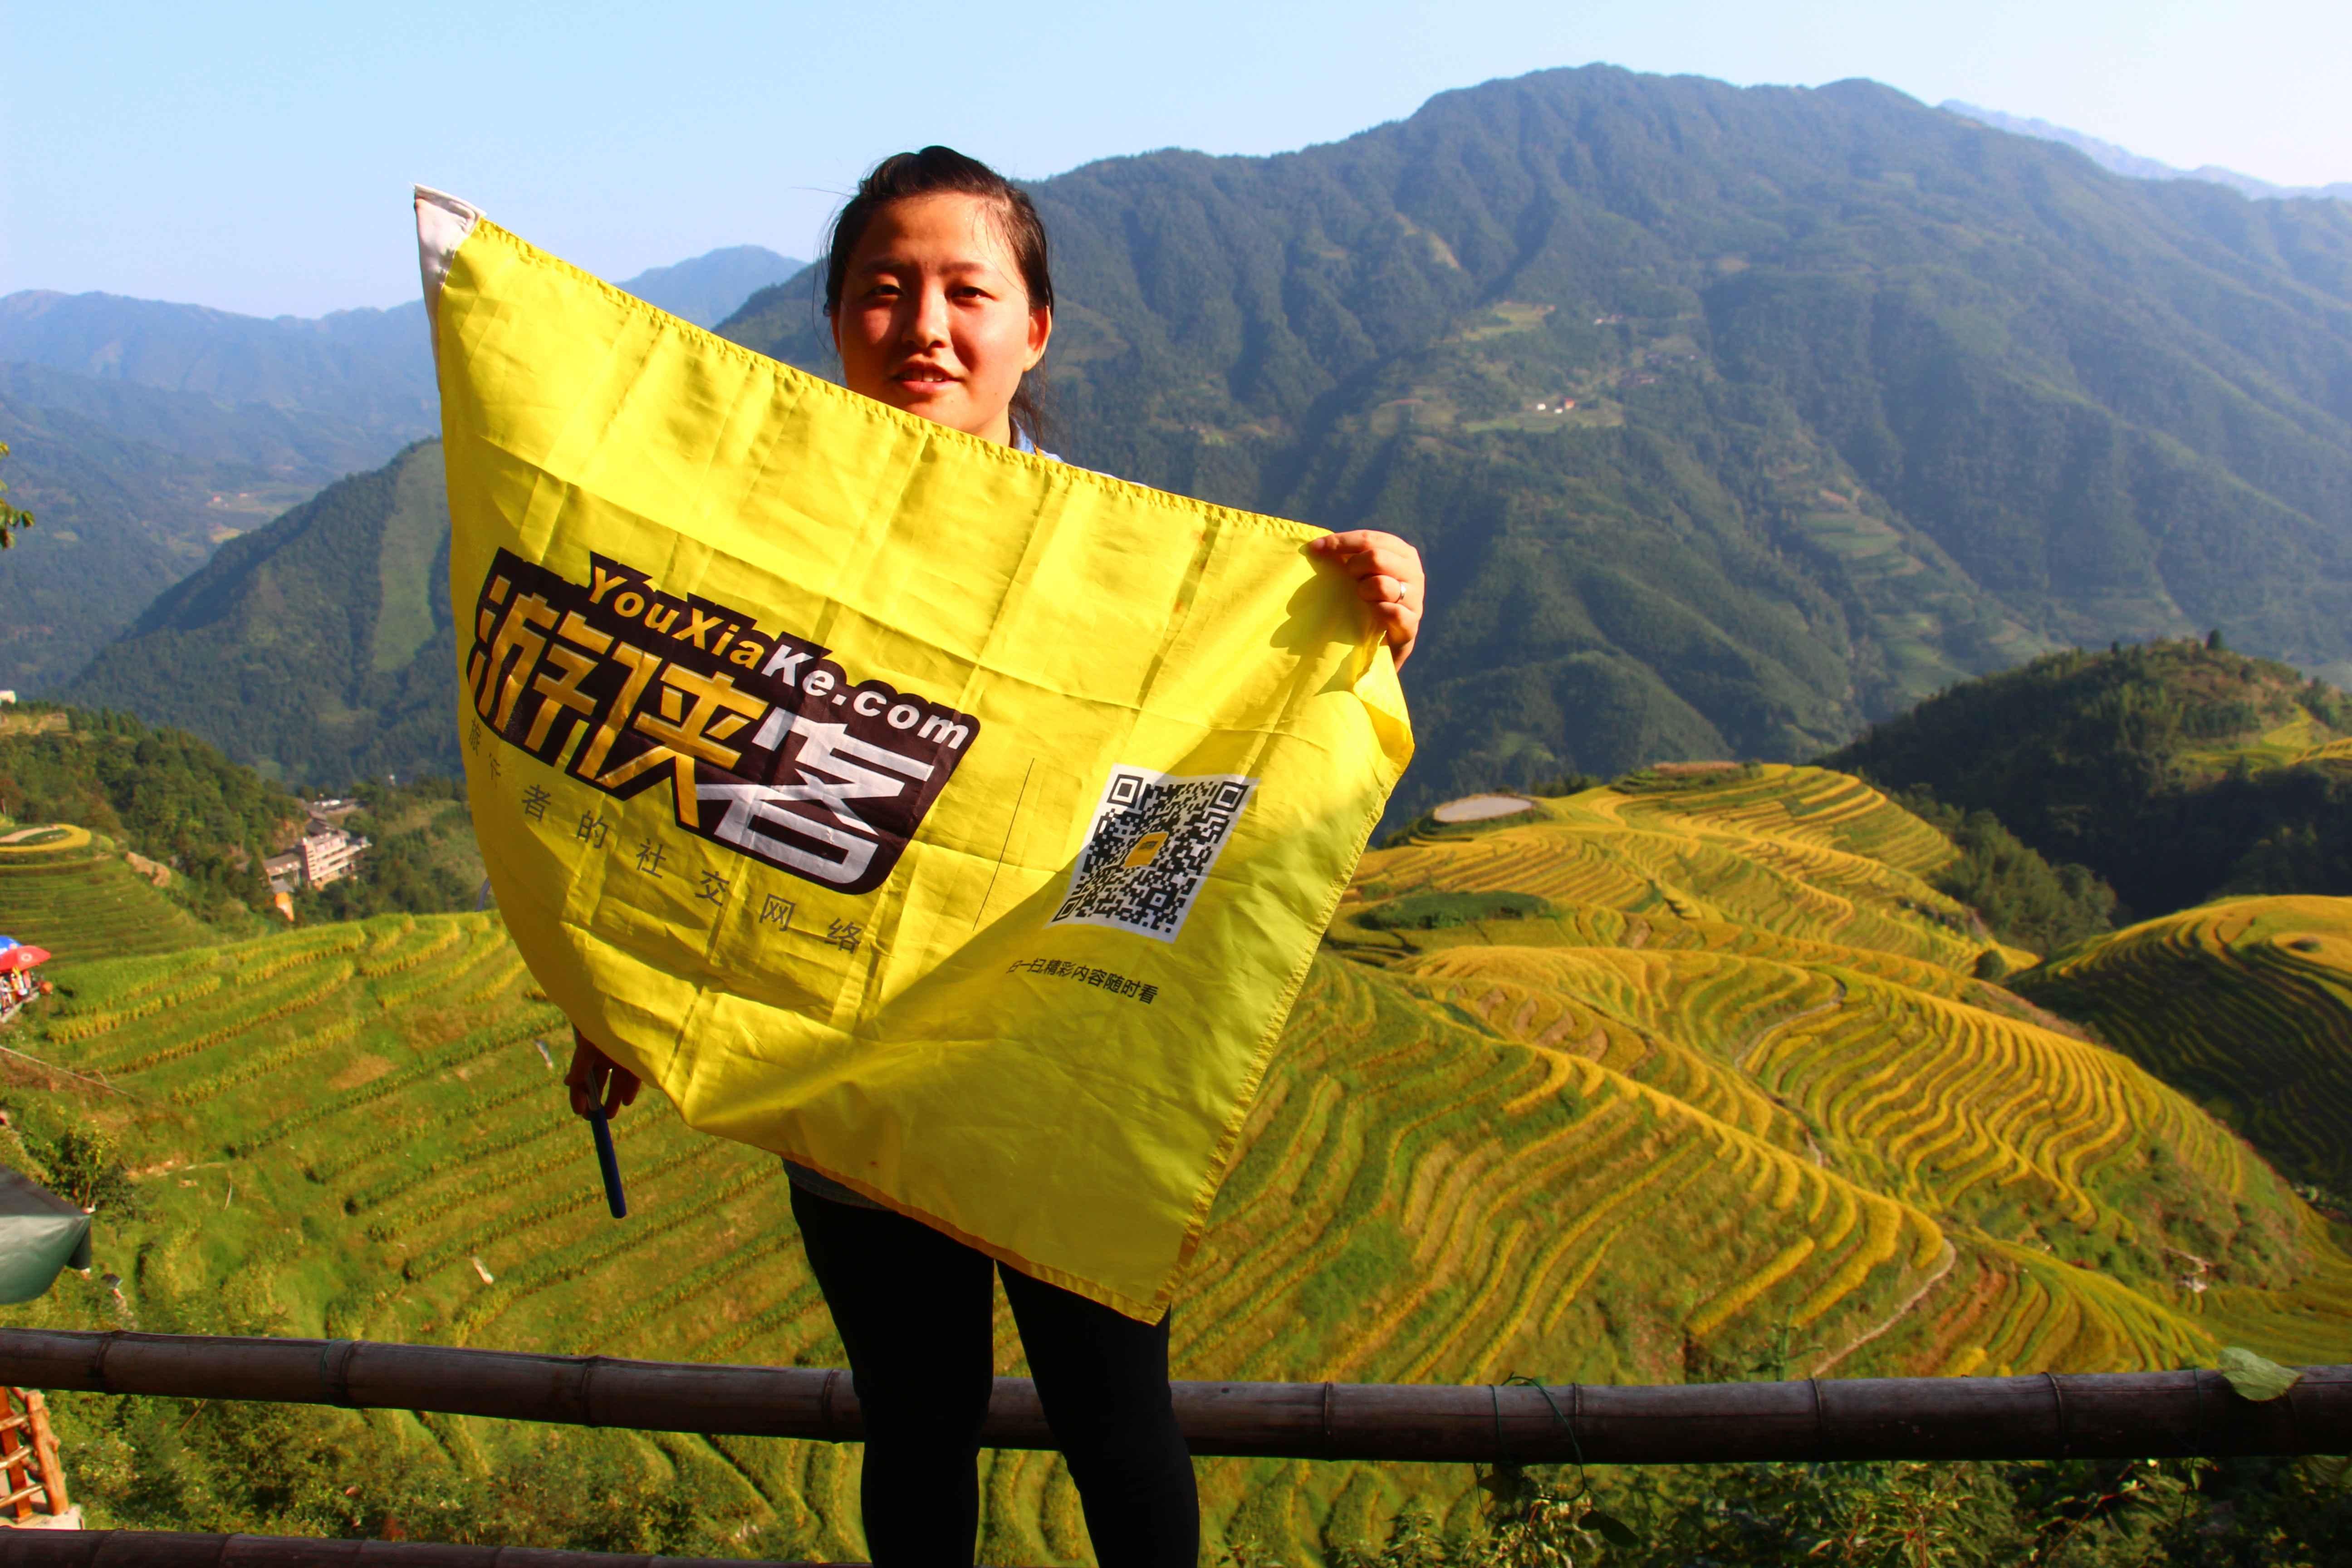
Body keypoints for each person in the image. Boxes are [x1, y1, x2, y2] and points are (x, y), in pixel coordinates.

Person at [566, 146, 1427, 1566]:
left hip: (1058, 1068)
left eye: (966, 291)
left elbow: (1202, 778)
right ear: (834, 321)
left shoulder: (1124, 565)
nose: (924, 325)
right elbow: (711, 782)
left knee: (1114, 1415)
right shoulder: (766, 546)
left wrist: (1379, 606)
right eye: (884, 290)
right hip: (854, 1057)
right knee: (918, 1420)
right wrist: (614, 987)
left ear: (1035, 329)